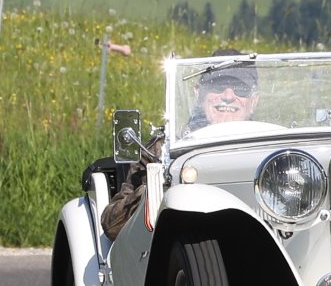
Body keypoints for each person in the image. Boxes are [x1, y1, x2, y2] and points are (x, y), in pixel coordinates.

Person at [100, 50, 258, 240]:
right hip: (183, 248)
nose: (228, 95)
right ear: (198, 92)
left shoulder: (270, 154)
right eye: (218, 85)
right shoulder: (162, 151)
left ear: (254, 101)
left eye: (240, 89)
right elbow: (112, 226)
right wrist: (158, 188)